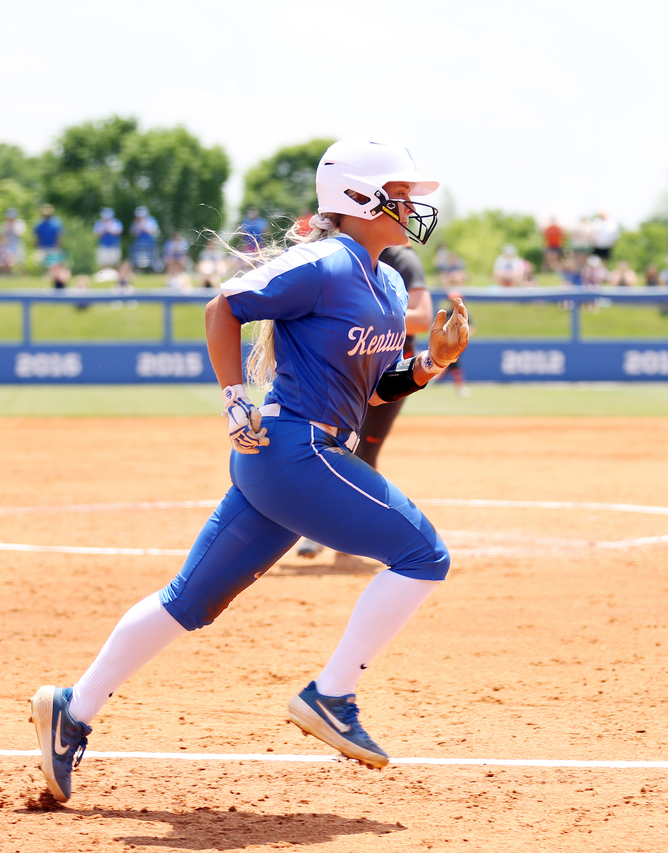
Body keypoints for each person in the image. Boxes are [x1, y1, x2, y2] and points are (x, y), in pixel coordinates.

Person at [28, 137, 467, 804]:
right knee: (423, 553)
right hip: (294, 449)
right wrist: (235, 399)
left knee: (188, 601)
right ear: (355, 197)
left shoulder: (387, 281)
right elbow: (223, 306)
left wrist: (431, 363)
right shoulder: (321, 263)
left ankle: (73, 707)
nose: (411, 207)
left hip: (293, 460)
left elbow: (374, 390)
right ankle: (332, 694)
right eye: (399, 194)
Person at [295, 241, 437, 564]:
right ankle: (321, 526)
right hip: (345, 369)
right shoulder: (336, 255)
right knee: (327, 445)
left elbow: (424, 316)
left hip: (389, 371)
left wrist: (367, 313)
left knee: (365, 453)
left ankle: (344, 533)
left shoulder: (399, 257)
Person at [130, 205, 161, 271]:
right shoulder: (136, 222)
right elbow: (133, 233)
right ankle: (140, 270)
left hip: (150, 243)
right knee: (139, 258)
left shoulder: (151, 220)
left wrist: (143, 226)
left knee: (151, 257)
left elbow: (154, 231)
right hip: (139, 243)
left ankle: (151, 270)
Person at [0, 208, 27, 275]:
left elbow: (21, 234)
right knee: (6, 260)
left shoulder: (19, 223)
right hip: (8, 246)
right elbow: (3, 236)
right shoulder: (5, 224)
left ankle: (23, 275)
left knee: (20, 260)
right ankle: (8, 274)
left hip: (18, 244)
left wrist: (13, 227)